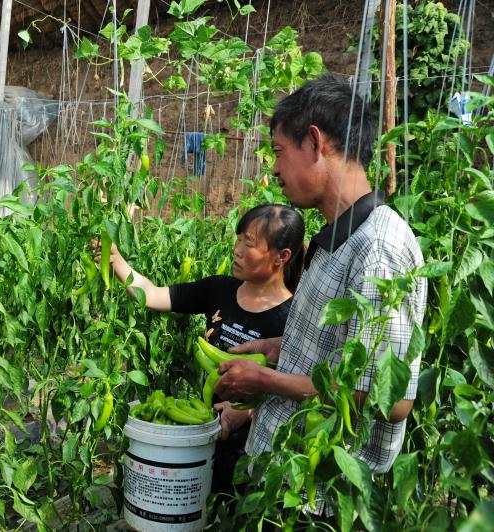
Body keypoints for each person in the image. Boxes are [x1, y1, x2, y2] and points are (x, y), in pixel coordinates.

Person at [215, 73, 427, 503]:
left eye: (279, 150)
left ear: (315, 143)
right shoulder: (337, 237)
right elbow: (344, 353)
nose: (274, 168)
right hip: (290, 479)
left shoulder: (379, 249)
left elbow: (388, 398)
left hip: (322, 495)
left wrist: (265, 381)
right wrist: (282, 346)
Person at [109, 203, 305, 491]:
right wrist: (115, 260)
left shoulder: (294, 317)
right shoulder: (219, 289)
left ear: (282, 256)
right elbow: (152, 295)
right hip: (206, 428)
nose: (237, 249)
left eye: (248, 243)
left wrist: (248, 411)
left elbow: (298, 387)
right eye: (238, 238)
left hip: (256, 449)